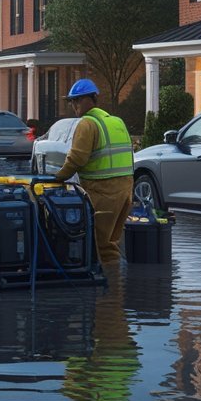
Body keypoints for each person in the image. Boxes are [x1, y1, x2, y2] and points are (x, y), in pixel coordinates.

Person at [53, 78, 134, 268]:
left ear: (89, 100)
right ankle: (116, 290)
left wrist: (58, 177)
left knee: (101, 245)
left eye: (76, 100)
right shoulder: (116, 121)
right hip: (125, 191)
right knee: (112, 243)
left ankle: (109, 292)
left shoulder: (87, 124)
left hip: (103, 192)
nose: (73, 105)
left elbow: (77, 159)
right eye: (72, 101)